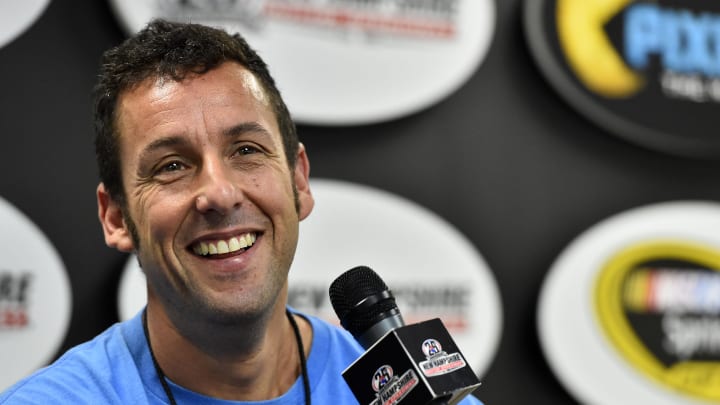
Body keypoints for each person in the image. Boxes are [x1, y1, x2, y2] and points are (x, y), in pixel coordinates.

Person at [0, 19, 484, 404]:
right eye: (171, 165)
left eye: (247, 150)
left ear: (297, 181)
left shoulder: (401, 389)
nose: (220, 193)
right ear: (116, 218)